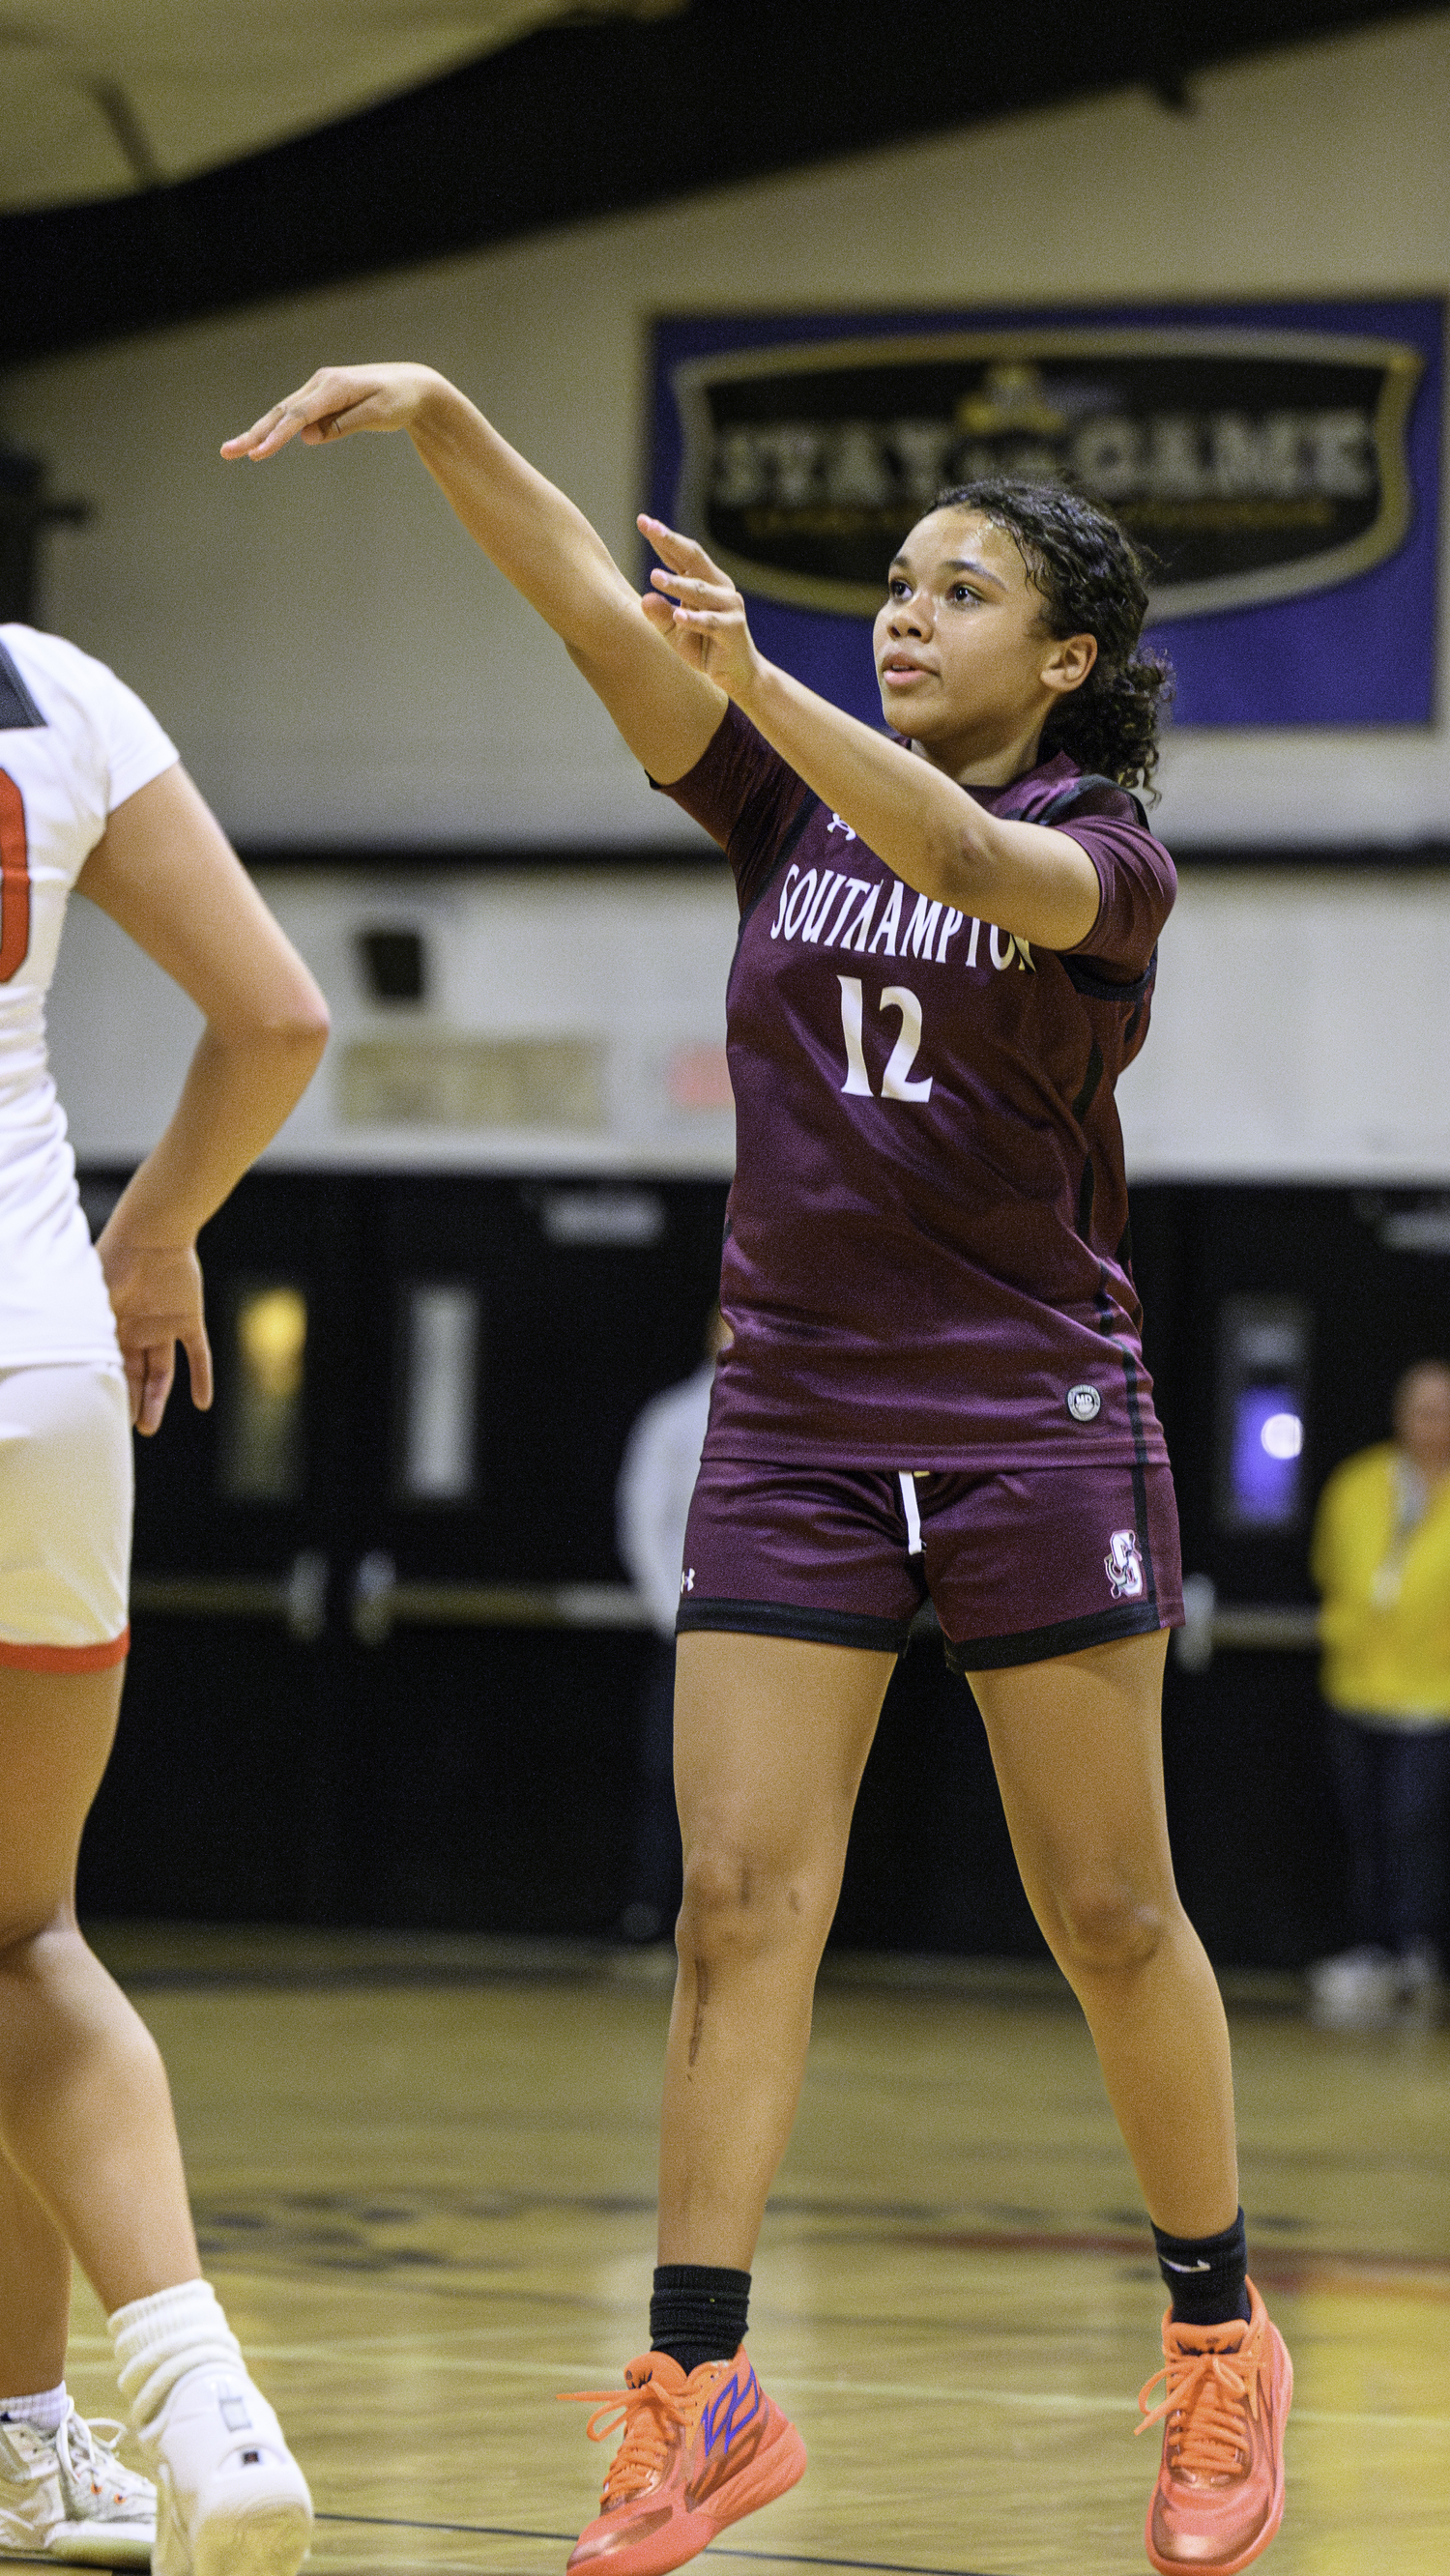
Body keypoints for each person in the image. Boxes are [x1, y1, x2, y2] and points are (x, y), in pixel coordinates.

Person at [223, 362, 1292, 2576]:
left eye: (959, 590)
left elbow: (953, 849)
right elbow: (594, 619)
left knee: (1107, 1909)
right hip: (796, 1418)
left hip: (1028, 1417)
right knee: (736, 1903)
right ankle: (697, 2386)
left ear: (1066, 655)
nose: (907, 613)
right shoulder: (780, 799)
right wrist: (442, 424)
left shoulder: (1103, 860)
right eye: (891, 584)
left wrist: (766, 686)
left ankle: (1218, 2335)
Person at [0, 622, 327, 2574]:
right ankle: (146, 2413)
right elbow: (277, 1019)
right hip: (37, 1373)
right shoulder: (54, 683)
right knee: (20, 1936)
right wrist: (156, 1233)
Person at [1308, 1359, 1450, 2025]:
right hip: (1357, 1684)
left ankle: (1413, 1949)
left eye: (1444, 1411)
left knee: (1412, 1823)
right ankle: (1372, 1948)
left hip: (1433, 1696)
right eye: (1423, 1409)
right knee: (1364, 1823)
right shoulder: (1359, 1483)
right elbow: (1330, 1565)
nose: (1433, 1425)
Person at [615, 1306, 731, 1941]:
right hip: (686, 1636)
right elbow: (641, 1523)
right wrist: (677, 1615)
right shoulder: (673, 1419)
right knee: (672, 1776)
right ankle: (655, 1912)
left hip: (763, 1642)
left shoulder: (796, 1424)